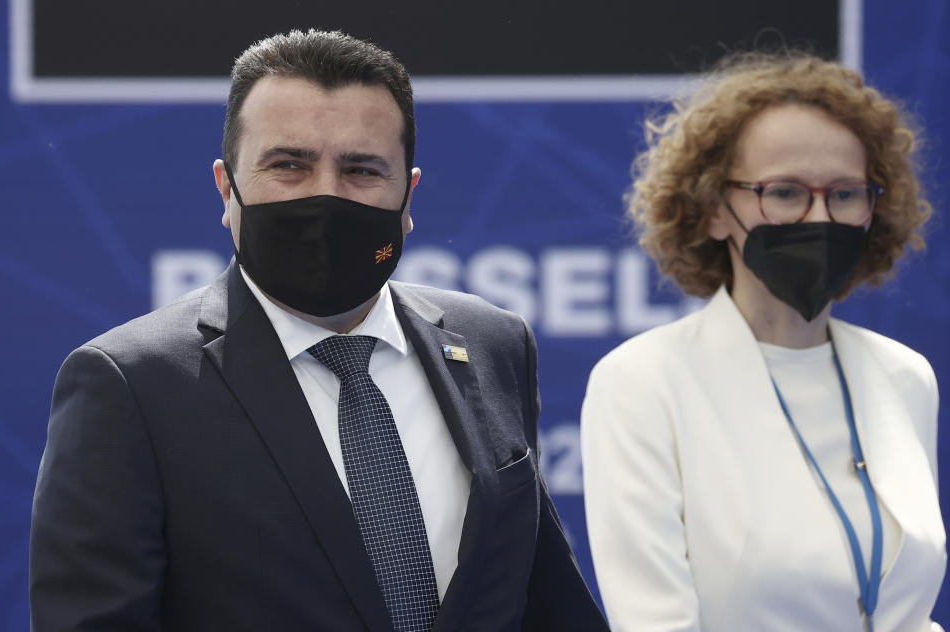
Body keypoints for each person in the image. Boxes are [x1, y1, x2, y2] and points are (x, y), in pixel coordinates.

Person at [30, 29, 608, 631]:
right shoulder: (130, 384)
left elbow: (546, 602)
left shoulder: (492, 343)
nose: (325, 196)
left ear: (407, 196)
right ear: (227, 189)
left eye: (361, 170)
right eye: (289, 165)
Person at [581, 51, 945, 631]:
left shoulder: (904, 377)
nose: (819, 216)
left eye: (845, 194)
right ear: (713, 209)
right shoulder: (643, 381)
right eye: (785, 192)